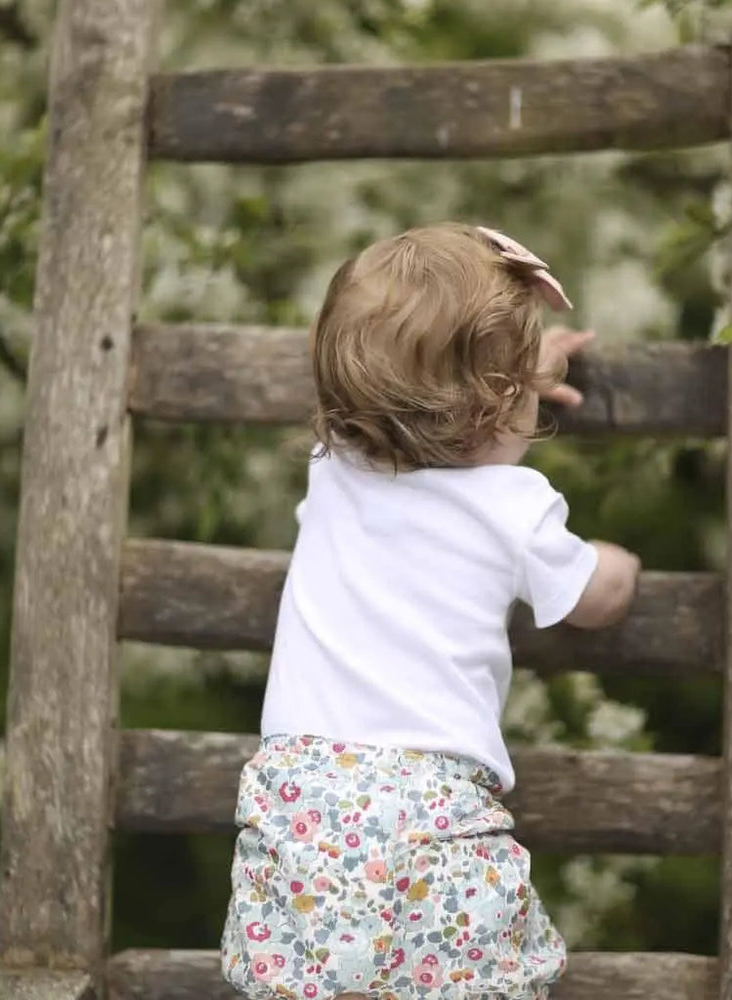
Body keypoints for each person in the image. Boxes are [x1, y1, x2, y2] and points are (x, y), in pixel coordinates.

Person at [221, 222, 641, 1000]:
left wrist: (515, 378)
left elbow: (412, 395)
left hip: (300, 809)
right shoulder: (515, 509)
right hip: (432, 821)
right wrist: (623, 565)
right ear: (501, 399)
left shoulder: (335, 468)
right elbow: (596, 598)